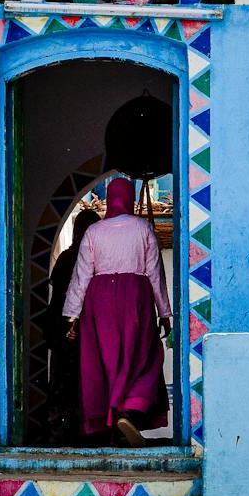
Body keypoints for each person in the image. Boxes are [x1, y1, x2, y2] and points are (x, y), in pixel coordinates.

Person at [63, 177, 172, 446]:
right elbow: (155, 272)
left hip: (98, 301)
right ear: (130, 198)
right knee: (144, 356)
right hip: (136, 297)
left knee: (104, 360)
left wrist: (72, 315)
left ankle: (111, 426)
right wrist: (165, 313)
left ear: (110, 199)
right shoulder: (142, 227)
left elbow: (81, 276)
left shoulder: (94, 232)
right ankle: (130, 411)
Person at [46, 207, 100, 444]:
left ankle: (60, 434)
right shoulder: (93, 260)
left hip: (61, 329)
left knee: (62, 383)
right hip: (84, 331)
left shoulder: (66, 258)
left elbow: (56, 296)